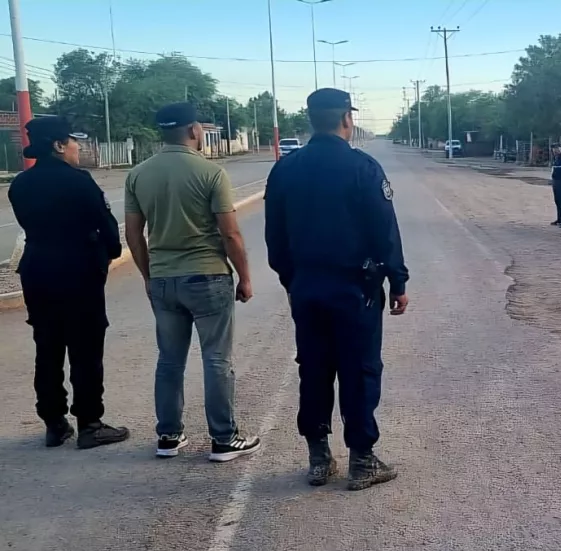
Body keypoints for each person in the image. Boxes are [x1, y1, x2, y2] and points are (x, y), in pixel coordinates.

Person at [265, 88, 410, 488]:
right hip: (355, 290)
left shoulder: (285, 169)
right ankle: (362, 460)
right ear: (347, 118)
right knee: (359, 369)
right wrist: (397, 280)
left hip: (307, 288)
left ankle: (318, 457)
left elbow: (275, 237)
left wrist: (291, 279)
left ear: (311, 120)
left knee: (313, 367)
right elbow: (385, 231)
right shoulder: (363, 167)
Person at [125, 102, 260, 462]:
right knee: (216, 359)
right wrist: (245, 277)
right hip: (207, 276)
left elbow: (134, 235)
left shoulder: (138, 174)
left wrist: (148, 275)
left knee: (170, 361)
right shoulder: (211, 173)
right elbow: (230, 234)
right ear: (194, 130)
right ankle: (223, 439)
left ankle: (169, 436)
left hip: (163, 279)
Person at [9, 117, 128, 449]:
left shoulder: (20, 184)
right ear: (59, 145)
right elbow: (107, 228)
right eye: (73, 141)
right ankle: (90, 423)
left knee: (47, 347)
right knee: (85, 349)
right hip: (79, 272)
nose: (78, 147)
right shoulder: (80, 182)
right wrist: (108, 254)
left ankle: (54, 423)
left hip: (37, 271)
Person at [549, 144, 561, 226]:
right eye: (553, 149)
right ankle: (560, 219)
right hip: (555, 181)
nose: (555, 150)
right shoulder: (555, 159)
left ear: (560, 149)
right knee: (557, 201)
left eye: (556, 148)